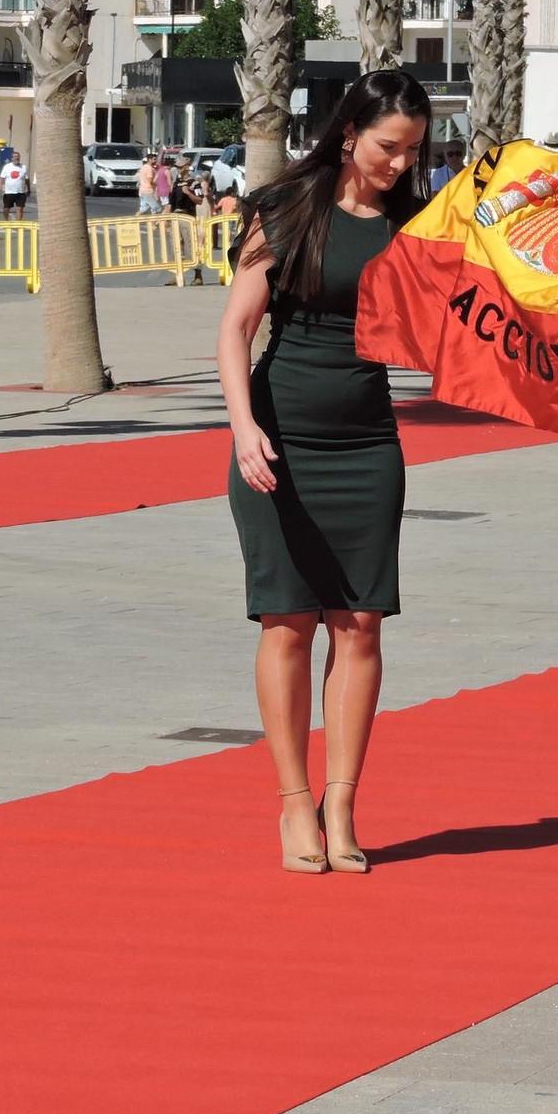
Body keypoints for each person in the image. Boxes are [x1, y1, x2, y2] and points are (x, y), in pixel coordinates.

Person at [219, 68, 432, 874]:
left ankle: (343, 805)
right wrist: (243, 429)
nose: (399, 164)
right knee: (289, 622)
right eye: (387, 147)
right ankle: (293, 806)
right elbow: (236, 330)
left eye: (412, 151)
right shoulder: (285, 210)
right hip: (276, 439)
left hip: (369, 443)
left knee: (361, 623)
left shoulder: (414, 226)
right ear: (349, 134)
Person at [0, 154, 29, 219]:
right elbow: (2, 177)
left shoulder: (23, 167)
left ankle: (18, 225)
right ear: (12, 158)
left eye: (17, 157)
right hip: (9, 192)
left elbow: (26, 179)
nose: (16, 158)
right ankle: (6, 221)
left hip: (20, 192)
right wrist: (0, 186)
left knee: (19, 209)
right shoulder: (7, 167)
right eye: (14, 157)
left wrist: (28, 188)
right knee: (6, 209)